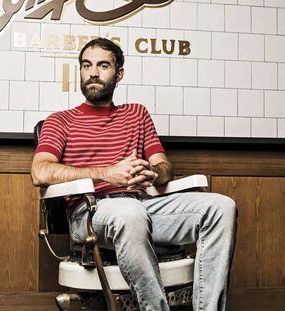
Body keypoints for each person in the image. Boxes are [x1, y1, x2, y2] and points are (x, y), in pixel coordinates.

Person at [31, 37, 237, 311]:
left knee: (222, 207)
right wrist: (108, 173)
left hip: (144, 204)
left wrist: (152, 173)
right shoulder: (60, 120)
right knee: (130, 212)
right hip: (91, 214)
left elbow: (165, 167)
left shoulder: (137, 114)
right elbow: (40, 171)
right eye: (86, 65)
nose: (93, 72)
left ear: (119, 74)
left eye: (103, 65)